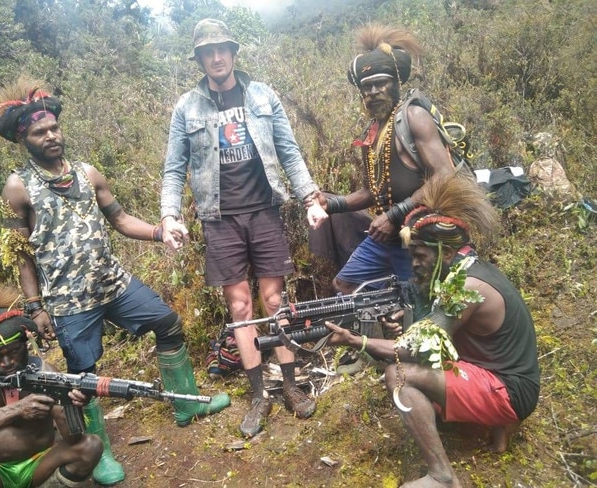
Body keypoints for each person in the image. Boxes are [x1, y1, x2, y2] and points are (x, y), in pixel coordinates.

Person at [0, 76, 231, 485]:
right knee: (83, 377)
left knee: (167, 322)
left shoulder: (89, 173)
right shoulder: (17, 187)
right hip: (68, 300)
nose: (51, 136)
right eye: (40, 132)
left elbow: (121, 220)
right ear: (25, 139)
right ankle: (99, 453)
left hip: (113, 283)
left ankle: (187, 406)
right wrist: (35, 308)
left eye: (54, 128)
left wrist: (161, 232)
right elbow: (20, 256)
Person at [160, 18, 329, 438]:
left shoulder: (262, 95)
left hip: (264, 211)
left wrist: (310, 198)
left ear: (234, 53)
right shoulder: (187, 107)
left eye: (222, 50)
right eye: (207, 52)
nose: (216, 58)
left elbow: (289, 151)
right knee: (240, 309)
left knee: (275, 300)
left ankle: (289, 384)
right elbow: (173, 169)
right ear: (199, 59)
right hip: (220, 219)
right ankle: (259, 396)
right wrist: (169, 215)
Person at [326, 173, 540, 487]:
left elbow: (415, 350)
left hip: (510, 392)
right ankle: (496, 425)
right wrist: (406, 322)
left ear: (447, 253)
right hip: (505, 379)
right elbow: (437, 334)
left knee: (399, 375)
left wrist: (355, 341)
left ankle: (443, 476)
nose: (413, 264)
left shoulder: (466, 286)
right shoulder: (467, 269)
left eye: (419, 255)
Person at [318, 24, 455, 294]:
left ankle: (404, 316)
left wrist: (394, 215)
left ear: (395, 83)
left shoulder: (413, 117)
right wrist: (329, 205)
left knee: (421, 300)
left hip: (420, 234)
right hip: (386, 234)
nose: (373, 92)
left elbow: (445, 174)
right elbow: (372, 192)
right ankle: (389, 316)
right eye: (367, 87)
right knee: (345, 284)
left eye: (381, 83)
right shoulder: (371, 133)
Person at [0, 282, 103, 488]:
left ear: (25, 344)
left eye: (13, 351)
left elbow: (75, 439)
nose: (7, 362)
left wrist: (71, 407)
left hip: (41, 464)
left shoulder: (45, 372)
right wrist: (16, 410)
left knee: (90, 446)